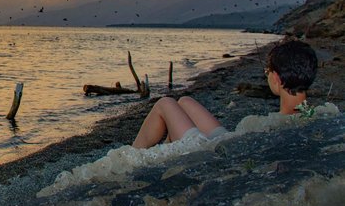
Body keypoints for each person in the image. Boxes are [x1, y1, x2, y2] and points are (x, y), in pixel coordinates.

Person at [131, 39, 318, 149]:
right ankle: (165, 150)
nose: (267, 76)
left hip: (212, 155)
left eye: (267, 72)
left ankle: (130, 159)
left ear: (276, 78)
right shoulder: (314, 116)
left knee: (165, 103)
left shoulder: (275, 124)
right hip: (231, 144)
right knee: (185, 101)